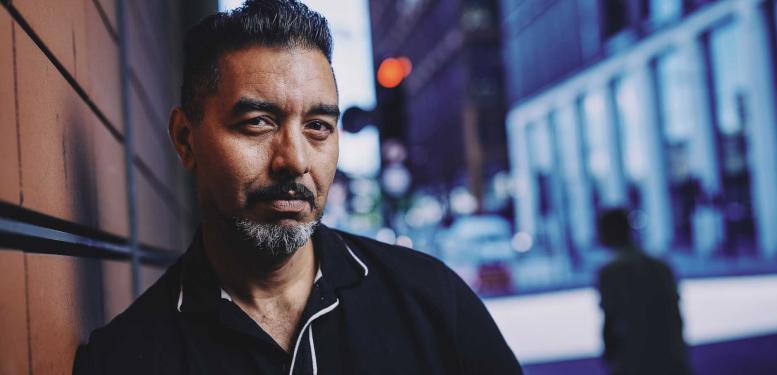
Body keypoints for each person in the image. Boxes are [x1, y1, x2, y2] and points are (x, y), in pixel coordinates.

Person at [72, 1, 521, 374]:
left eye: (318, 126)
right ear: (186, 139)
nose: (296, 160)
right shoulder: (124, 360)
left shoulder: (433, 303)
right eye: (258, 123)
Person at [596, 209, 691, 375]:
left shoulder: (610, 272)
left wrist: (610, 357)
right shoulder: (661, 266)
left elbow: (610, 321)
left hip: (633, 357)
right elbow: (675, 314)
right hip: (667, 354)